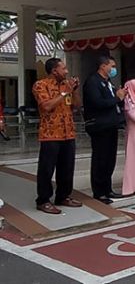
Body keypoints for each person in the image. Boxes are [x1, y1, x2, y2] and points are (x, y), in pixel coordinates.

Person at [33, 58, 83, 214]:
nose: (67, 71)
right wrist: (64, 93)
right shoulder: (41, 85)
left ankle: (63, 196)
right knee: (47, 169)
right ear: (54, 71)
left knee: (67, 167)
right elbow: (46, 106)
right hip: (50, 134)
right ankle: (43, 200)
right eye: (64, 68)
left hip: (68, 133)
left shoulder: (66, 85)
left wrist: (73, 90)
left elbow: (77, 105)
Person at [82, 55, 126, 205]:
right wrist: (117, 98)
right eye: (112, 66)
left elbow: (114, 103)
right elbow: (97, 103)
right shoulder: (93, 82)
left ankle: (107, 188)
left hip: (111, 124)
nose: (114, 69)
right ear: (103, 66)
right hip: (99, 125)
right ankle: (99, 191)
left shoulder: (108, 83)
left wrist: (120, 100)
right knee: (100, 159)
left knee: (110, 159)